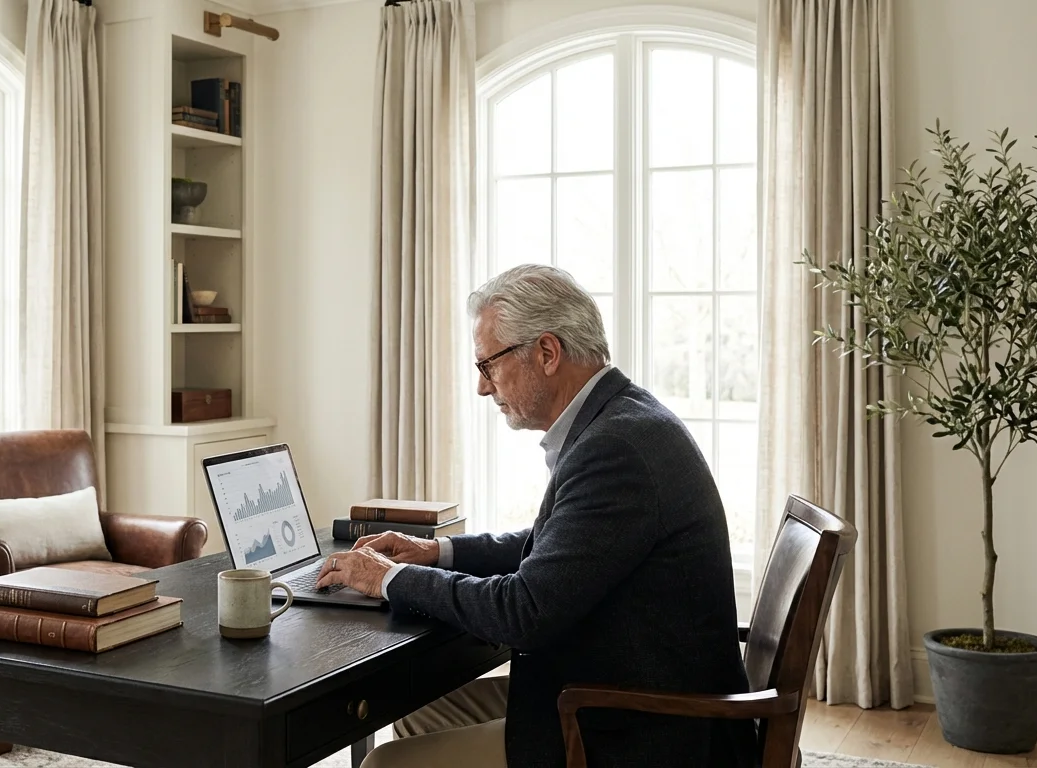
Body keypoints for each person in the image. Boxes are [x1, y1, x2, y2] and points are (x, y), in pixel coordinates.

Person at [315, 264, 757, 767]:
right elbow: (559, 545)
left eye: (488, 366)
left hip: (641, 730)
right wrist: (438, 551)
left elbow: (523, 613)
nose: (484, 388)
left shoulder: (617, 449)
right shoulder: (623, 417)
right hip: (618, 687)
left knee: (383, 764)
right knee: (419, 706)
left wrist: (390, 578)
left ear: (547, 353)